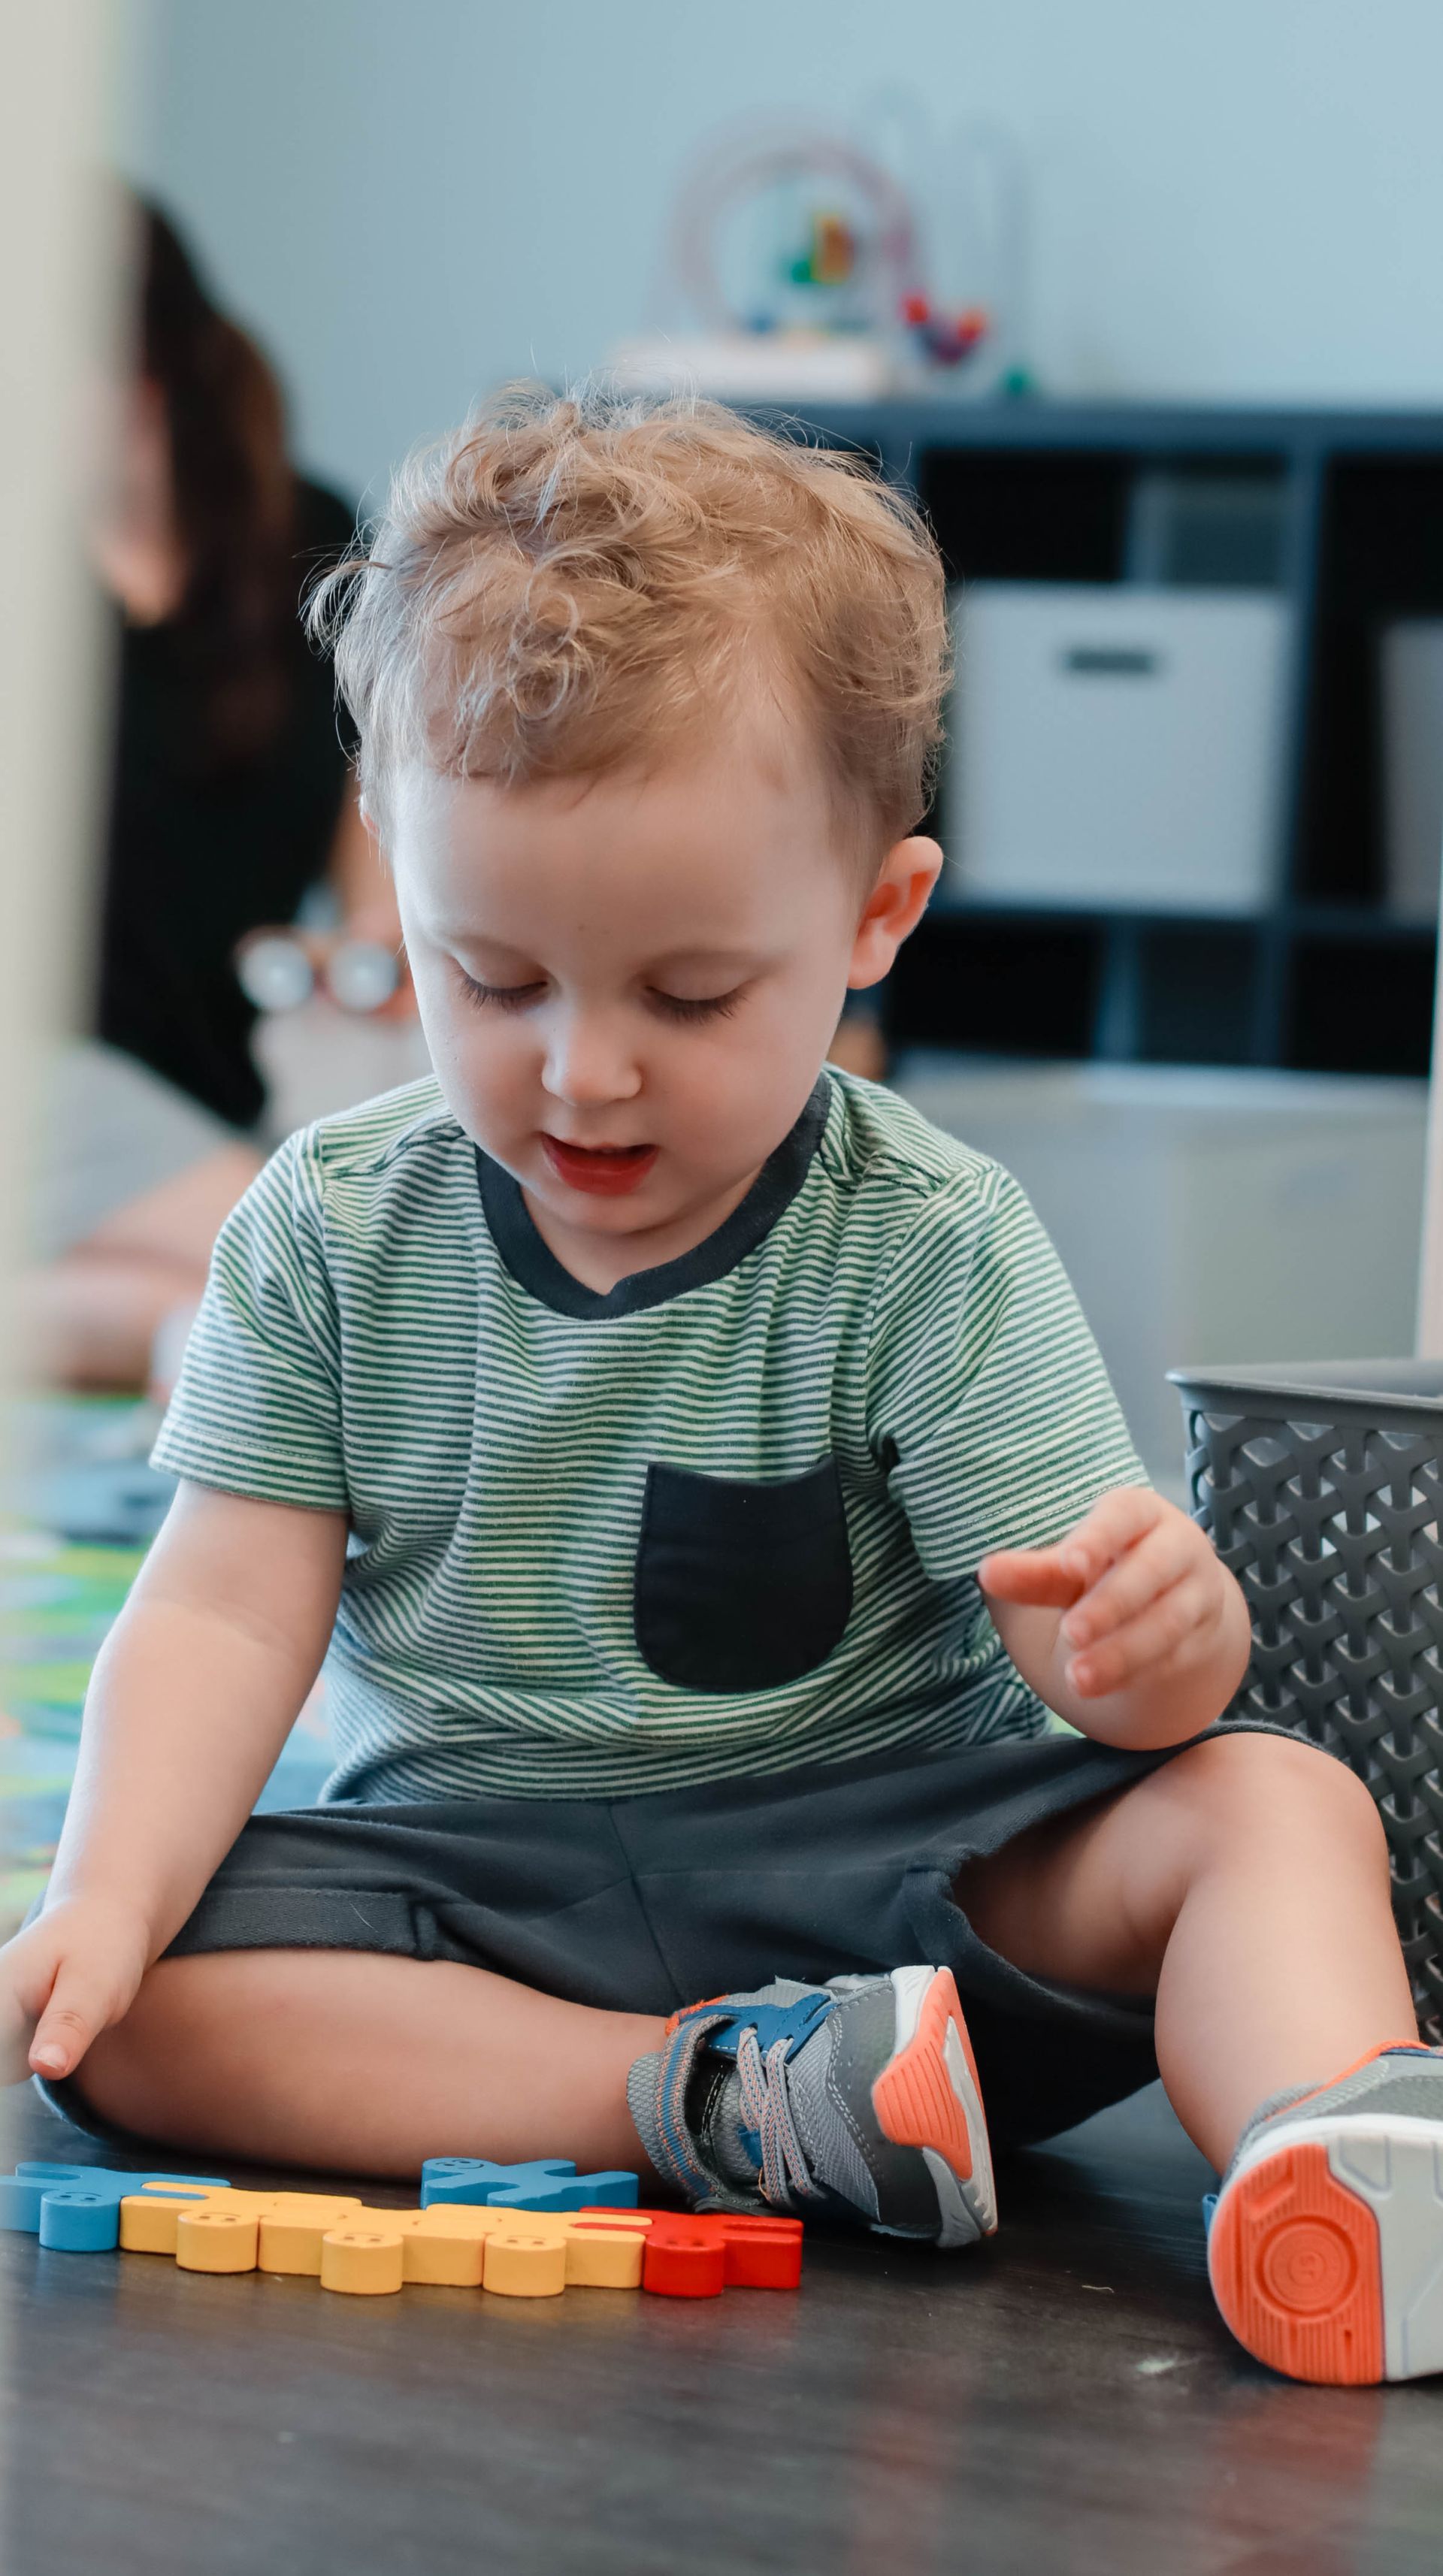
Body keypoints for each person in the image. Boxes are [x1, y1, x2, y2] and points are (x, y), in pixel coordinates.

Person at [2, 389, 1435, 2390]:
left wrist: (1162, 1650)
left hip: (898, 1875)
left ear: (871, 924)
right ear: (389, 901)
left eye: (689, 995)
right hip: (483, 1898)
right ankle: (716, 2099)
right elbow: (230, 1599)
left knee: (1274, 1799)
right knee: (127, 2008)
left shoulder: (928, 1235)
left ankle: (1341, 2155)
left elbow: (1102, 1674)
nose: (585, 1074)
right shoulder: (324, 1226)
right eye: (487, 979)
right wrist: (104, 1889)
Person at [23, 198, 397, 1393]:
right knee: (316, 1283)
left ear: (140, 367)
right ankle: (209, 1335)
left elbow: (378, 845)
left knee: (272, 1277)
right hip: (45, 1076)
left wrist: (368, 963)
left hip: (232, 1085)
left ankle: (175, 1334)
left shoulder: (312, 541)